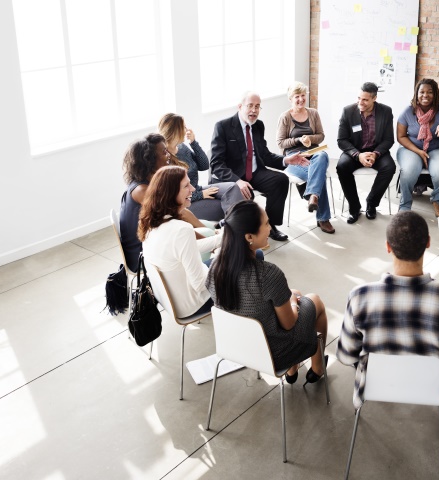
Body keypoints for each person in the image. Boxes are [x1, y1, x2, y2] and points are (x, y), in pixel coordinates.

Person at [336, 211, 439, 417]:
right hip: (433, 391)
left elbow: (347, 356)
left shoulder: (359, 296)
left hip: (375, 386)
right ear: (428, 243)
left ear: (388, 246)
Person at [206, 200, 329, 385]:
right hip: (274, 353)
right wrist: (294, 301)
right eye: (266, 224)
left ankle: (293, 369)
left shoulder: (215, 267)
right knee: (314, 300)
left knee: (293, 292)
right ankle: (317, 366)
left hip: (236, 346)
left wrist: (291, 296)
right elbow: (289, 324)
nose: (270, 228)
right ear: (249, 236)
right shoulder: (268, 274)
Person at [210, 92, 309, 242]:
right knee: (243, 193)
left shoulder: (258, 126)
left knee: (280, 180)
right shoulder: (223, 126)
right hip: (234, 177)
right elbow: (216, 164)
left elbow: (265, 155)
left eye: (257, 107)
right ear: (240, 107)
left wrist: (287, 160)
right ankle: (241, 233)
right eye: (250, 106)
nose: (254, 110)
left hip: (255, 172)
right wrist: (237, 181)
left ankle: (270, 226)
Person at [119, 134, 214, 272]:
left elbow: (180, 212)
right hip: (145, 258)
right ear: (149, 159)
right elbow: (177, 220)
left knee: (209, 228)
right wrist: (210, 241)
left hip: (157, 243)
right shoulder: (142, 190)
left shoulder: (150, 182)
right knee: (208, 234)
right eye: (164, 152)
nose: (168, 154)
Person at [139, 166, 218, 318]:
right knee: (252, 257)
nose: (193, 188)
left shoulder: (151, 221)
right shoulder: (182, 230)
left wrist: (221, 239)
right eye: (186, 186)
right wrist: (222, 258)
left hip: (169, 300)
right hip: (193, 304)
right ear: (171, 193)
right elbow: (201, 284)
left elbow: (187, 249)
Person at [158, 113, 244, 222]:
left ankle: (238, 228)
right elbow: (171, 196)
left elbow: (204, 165)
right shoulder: (164, 158)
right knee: (231, 205)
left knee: (232, 188)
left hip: (196, 189)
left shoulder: (182, 147)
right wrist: (200, 195)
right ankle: (237, 231)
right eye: (184, 127)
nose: (186, 130)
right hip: (186, 202)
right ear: (176, 131)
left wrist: (193, 143)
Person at [276, 82, 335, 234]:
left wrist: (309, 138)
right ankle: (323, 217)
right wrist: (297, 140)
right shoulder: (285, 117)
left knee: (322, 156)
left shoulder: (313, 113)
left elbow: (321, 136)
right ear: (291, 98)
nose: (301, 99)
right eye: (297, 96)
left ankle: (313, 196)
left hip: (314, 153)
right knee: (318, 174)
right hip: (293, 157)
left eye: (303, 96)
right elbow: (280, 143)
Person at [336, 82, 397, 224]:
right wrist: (358, 155)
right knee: (341, 167)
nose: (360, 102)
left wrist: (375, 154)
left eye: (365, 99)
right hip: (355, 151)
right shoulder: (348, 111)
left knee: (390, 167)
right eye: (358, 98)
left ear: (374, 98)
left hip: (376, 151)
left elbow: (389, 139)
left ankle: (372, 203)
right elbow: (341, 140)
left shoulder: (386, 111)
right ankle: (354, 207)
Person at [396, 78, 439, 216]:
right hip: (411, 148)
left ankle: (438, 201)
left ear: (435, 94)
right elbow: (401, 137)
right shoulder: (408, 111)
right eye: (422, 92)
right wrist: (419, 151)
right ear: (417, 94)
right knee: (409, 169)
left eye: (429, 92)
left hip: (437, 147)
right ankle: (405, 205)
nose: (425, 95)